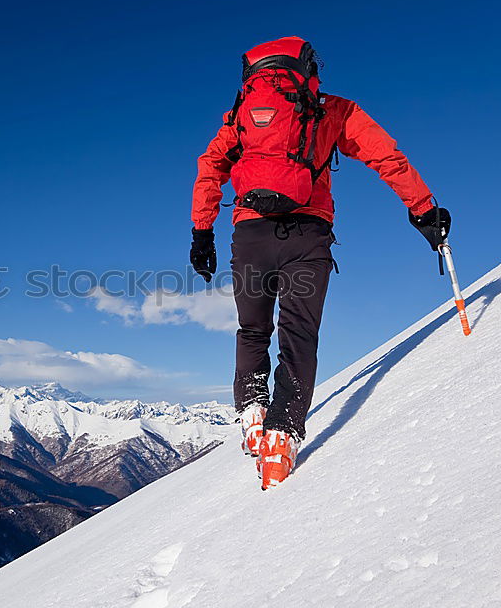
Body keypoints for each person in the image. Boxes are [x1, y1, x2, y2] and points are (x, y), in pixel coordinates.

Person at [189, 36, 450, 490]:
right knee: (299, 334)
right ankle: (282, 435)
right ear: (309, 72)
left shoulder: (239, 118)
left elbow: (210, 166)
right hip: (308, 235)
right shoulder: (332, 110)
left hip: (250, 233)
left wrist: (202, 232)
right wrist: (423, 208)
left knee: (252, 329)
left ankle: (252, 411)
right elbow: (385, 155)